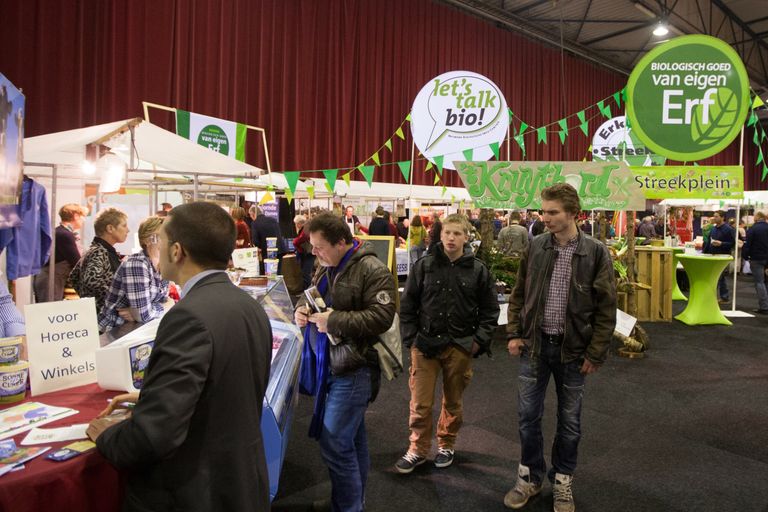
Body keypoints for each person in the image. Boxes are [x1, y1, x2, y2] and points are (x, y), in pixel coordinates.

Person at [86, 201, 272, 512]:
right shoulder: (248, 305)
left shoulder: (188, 317)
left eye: (161, 239)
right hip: (239, 483)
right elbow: (221, 391)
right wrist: (152, 396)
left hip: (194, 491)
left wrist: (108, 436)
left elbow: (154, 435)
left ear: (177, 251)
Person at [505, 183, 616, 512]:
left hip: (573, 353)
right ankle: (529, 477)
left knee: (570, 424)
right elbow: (518, 293)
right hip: (534, 348)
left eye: (552, 212)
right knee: (527, 418)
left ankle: (563, 480)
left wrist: (596, 352)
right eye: (544, 211)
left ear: (573, 214)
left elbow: (606, 308)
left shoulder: (595, 251)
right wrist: (514, 332)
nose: (545, 217)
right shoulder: (536, 245)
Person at [294, 212, 396, 512]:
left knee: (336, 443)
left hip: (355, 368)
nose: (314, 252)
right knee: (351, 439)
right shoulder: (327, 264)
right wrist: (303, 308)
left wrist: (334, 320)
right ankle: (351, 499)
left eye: (319, 246)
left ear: (341, 242)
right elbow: (311, 295)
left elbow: (382, 317)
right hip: (333, 363)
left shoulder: (372, 269)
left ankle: (349, 505)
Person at [395, 214, 498, 473]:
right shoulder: (424, 265)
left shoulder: (478, 270)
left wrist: (478, 342)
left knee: (453, 402)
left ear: (466, 237)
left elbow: (490, 310)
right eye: (447, 233)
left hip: (460, 345)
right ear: (440, 235)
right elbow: (407, 305)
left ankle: (447, 444)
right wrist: (412, 340)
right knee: (420, 403)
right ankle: (417, 448)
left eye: (457, 233)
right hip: (425, 344)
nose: (451, 238)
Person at [98, 217, 170, 332]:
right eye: (162, 236)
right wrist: (168, 306)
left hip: (135, 330)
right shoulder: (137, 264)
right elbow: (143, 316)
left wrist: (162, 306)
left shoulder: (162, 264)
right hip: (113, 332)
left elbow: (164, 301)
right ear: (147, 240)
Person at [70, 208, 129, 315]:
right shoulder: (99, 251)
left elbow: (73, 277)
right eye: (124, 226)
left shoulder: (100, 250)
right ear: (110, 228)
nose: (127, 230)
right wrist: (118, 300)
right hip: (102, 318)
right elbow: (92, 281)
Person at [34, 203, 87, 302]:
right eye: (82, 216)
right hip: (50, 281)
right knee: (50, 313)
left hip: (50, 279)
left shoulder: (60, 232)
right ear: (75, 216)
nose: (83, 220)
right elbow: (77, 263)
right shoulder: (65, 235)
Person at [703, 210, 735, 303]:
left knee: (720, 276)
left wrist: (721, 243)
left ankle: (724, 297)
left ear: (722, 217)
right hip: (712, 255)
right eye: (714, 216)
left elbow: (732, 243)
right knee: (715, 276)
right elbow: (709, 241)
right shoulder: (713, 228)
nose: (714, 218)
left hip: (723, 256)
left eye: (716, 216)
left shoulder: (728, 229)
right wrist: (704, 252)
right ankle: (716, 296)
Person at [742, 211, 768, 314]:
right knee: (765, 282)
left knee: (759, 282)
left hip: (756, 258)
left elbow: (748, 244)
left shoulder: (753, 229)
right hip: (766, 258)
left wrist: (745, 256)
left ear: (757, 218)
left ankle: (764, 306)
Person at [250, 205, 285, 274]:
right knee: (277, 274)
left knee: (270, 275)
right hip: (279, 250)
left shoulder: (255, 223)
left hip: (268, 253)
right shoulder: (273, 220)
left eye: (250, 215)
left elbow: (255, 241)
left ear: (253, 214)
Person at [293, 214, 315, 289]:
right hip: (307, 254)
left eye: (296, 224)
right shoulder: (306, 227)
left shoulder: (306, 227)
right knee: (306, 273)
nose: (296, 226)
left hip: (308, 254)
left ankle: (307, 292)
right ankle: (306, 291)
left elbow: (302, 238)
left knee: (306, 274)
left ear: (299, 223)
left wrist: (295, 241)